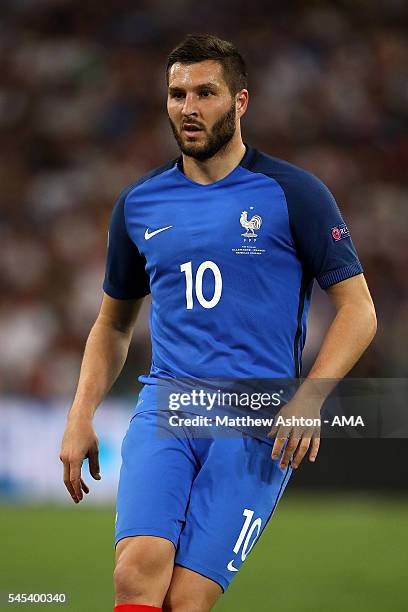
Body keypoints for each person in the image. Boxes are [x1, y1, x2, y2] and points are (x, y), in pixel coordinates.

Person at [59, 34, 377, 612]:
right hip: (168, 406)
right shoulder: (139, 203)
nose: (189, 107)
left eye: (205, 92)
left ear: (240, 102)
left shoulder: (294, 194)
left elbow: (360, 309)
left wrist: (310, 396)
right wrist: (80, 414)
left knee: (187, 599)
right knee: (135, 575)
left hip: (257, 414)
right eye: (177, 93)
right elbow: (112, 325)